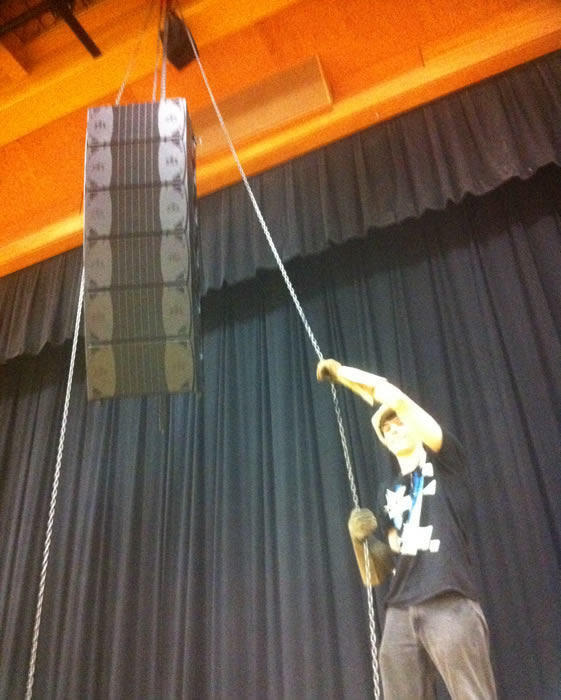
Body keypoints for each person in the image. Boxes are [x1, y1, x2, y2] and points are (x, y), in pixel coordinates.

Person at [316, 358, 497, 700]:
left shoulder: (446, 463)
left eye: (400, 422)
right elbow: (382, 568)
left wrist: (343, 374)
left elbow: (396, 398)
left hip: (447, 599)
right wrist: (360, 542)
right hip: (400, 608)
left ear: (415, 427)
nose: (394, 428)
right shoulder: (388, 492)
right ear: (384, 440)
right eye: (387, 428)